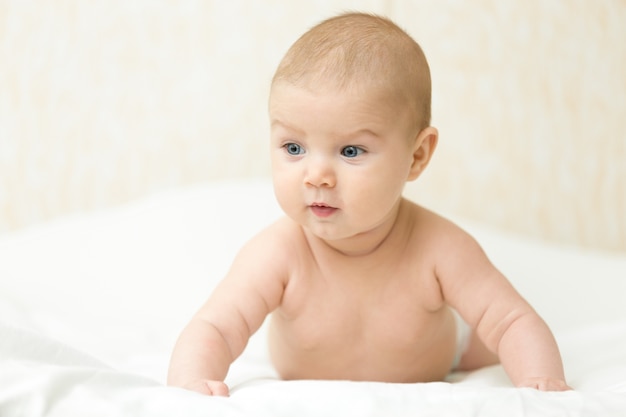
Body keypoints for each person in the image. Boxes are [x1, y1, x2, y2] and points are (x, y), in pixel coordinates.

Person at [167, 12, 570, 396]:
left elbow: (512, 320)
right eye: (294, 147)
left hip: (442, 354)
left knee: (484, 341)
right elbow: (216, 328)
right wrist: (191, 383)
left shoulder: (440, 248)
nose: (316, 175)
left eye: (351, 151)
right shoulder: (278, 252)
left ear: (416, 156)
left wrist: (540, 382)